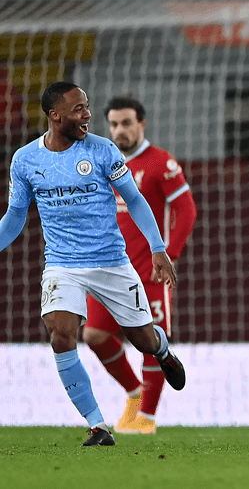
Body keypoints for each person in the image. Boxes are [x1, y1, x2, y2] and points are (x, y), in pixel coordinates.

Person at [0, 82, 185, 446]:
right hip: (62, 264)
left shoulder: (102, 150)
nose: (87, 115)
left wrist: (159, 248)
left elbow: (134, 199)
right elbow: (14, 217)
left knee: (142, 340)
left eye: (87, 106)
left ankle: (162, 349)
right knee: (61, 336)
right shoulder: (25, 160)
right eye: (79, 109)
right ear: (55, 116)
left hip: (111, 262)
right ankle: (98, 425)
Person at [82, 97, 197, 435]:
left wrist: (170, 256)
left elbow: (186, 211)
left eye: (127, 123)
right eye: (114, 124)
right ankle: (134, 393)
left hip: (149, 272)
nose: (120, 130)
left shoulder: (161, 162)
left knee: (149, 342)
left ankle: (146, 416)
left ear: (141, 124)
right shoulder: (101, 162)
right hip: (108, 270)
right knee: (94, 334)